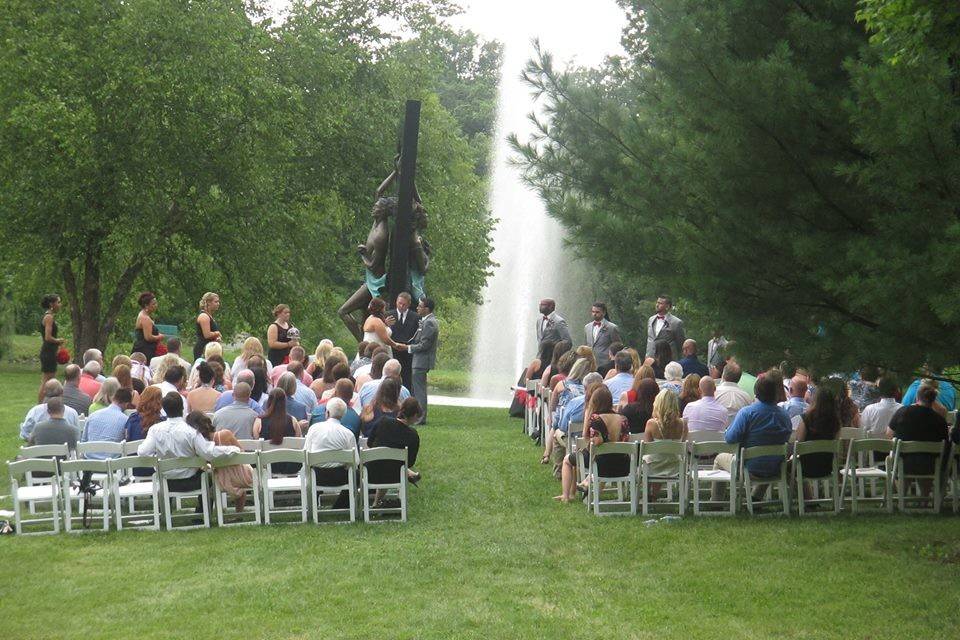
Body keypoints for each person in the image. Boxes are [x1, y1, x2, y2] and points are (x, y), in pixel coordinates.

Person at [138, 393, 239, 499]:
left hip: (166, 481)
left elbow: (143, 452)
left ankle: (164, 512)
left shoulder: (155, 430)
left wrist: (156, 459)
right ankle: (201, 511)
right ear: (182, 408)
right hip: (191, 481)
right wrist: (232, 449)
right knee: (210, 476)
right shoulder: (191, 431)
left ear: (164, 409)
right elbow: (208, 453)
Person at [712, 373, 792, 499]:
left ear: (756, 392)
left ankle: (716, 500)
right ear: (776, 393)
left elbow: (730, 438)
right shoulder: (784, 415)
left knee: (719, 458)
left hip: (749, 467)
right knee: (767, 456)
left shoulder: (747, 413)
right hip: (776, 466)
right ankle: (755, 498)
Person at [557, 385, 629, 503]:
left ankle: (566, 496)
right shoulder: (623, 419)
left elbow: (591, 441)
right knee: (597, 456)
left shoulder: (596, 418)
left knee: (567, 460)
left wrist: (588, 414)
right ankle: (587, 489)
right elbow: (626, 440)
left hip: (601, 465)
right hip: (623, 465)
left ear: (594, 402)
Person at [304, 398, 358, 509]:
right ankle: (339, 506)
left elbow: (306, 454)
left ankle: (312, 505)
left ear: (327, 413)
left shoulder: (314, 429)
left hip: (317, 476)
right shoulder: (348, 434)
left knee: (310, 469)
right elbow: (355, 461)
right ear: (343, 415)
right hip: (341, 477)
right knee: (356, 475)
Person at [887, 384, 949, 476]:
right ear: (933, 400)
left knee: (900, 462)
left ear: (917, 397)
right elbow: (945, 443)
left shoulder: (903, 412)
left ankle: (902, 489)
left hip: (903, 464)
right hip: (930, 466)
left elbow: (889, 434)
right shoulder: (940, 420)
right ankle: (925, 491)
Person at [397, 297, 438, 425]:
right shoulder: (425, 321)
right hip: (418, 360)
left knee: (419, 391)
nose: (417, 308)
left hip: (422, 361)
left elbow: (424, 345)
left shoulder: (430, 323)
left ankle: (420, 418)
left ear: (426, 309)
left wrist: (407, 348)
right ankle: (417, 416)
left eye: (420, 306)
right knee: (417, 389)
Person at [541, 358, 590, 465]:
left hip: (568, 427)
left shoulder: (562, 384)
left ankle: (549, 456)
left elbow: (552, 405)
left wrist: (552, 415)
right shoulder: (591, 390)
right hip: (587, 429)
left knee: (556, 427)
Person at [642, 389, 689, 497]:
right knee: (662, 458)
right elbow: (683, 446)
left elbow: (649, 449)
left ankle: (649, 495)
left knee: (652, 459)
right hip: (676, 466)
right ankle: (654, 495)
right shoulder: (683, 424)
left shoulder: (651, 424)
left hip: (654, 467)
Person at [367, 396, 423, 486]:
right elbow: (410, 462)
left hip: (371, 472)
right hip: (395, 476)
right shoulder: (413, 435)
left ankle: (377, 501)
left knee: (386, 461)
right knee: (393, 463)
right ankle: (410, 474)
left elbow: (369, 443)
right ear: (415, 415)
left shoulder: (383, 421)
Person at [795, 384, 842, 481]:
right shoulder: (835, 421)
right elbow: (836, 445)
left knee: (786, 469)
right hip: (827, 467)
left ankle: (805, 495)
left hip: (805, 467)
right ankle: (809, 495)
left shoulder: (806, 418)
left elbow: (799, 442)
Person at [254, 388, 303, 474]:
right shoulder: (293, 420)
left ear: (268, 401)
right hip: (290, 466)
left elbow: (257, 441)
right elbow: (298, 443)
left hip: (268, 465)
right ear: (284, 402)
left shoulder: (259, 421)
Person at [208, 423, 254, 512]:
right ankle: (239, 513)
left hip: (221, 480)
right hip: (244, 476)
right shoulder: (225, 434)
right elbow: (241, 452)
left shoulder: (201, 443)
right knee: (237, 469)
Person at [79, 388, 133, 456]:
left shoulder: (93, 416)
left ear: (113, 399)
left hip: (89, 461)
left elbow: (83, 441)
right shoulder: (126, 420)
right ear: (127, 404)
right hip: (114, 463)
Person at [388, 292, 420, 391]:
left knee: (407, 379)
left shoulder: (416, 317)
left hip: (408, 353)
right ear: (396, 302)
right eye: (399, 303)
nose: (401, 306)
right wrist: (386, 324)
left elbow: (417, 336)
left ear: (409, 304)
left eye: (404, 304)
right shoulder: (389, 315)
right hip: (392, 351)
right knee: (391, 378)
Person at [37, 293, 67, 402]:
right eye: (58, 302)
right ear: (51, 304)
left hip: (50, 351)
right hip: (48, 352)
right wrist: (58, 340)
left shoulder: (49, 316)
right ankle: (40, 406)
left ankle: (48, 403)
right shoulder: (48, 317)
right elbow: (48, 337)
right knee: (47, 380)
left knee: (49, 379)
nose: (60, 304)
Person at [583, 302, 621, 374]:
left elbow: (618, 347)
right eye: (593, 312)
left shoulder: (611, 328)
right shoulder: (587, 327)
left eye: (597, 312)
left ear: (603, 313)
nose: (594, 314)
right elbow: (586, 346)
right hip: (590, 365)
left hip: (605, 365)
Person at [645, 295, 685, 360]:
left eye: (660, 303)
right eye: (657, 302)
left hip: (668, 360)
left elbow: (680, 344)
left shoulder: (676, 322)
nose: (657, 305)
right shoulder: (651, 319)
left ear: (667, 306)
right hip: (650, 358)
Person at [132, 291, 165, 361]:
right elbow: (148, 337)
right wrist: (160, 336)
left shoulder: (143, 315)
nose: (156, 305)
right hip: (145, 350)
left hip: (145, 348)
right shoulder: (145, 318)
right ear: (146, 305)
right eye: (153, 304)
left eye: (156, 303)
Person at [194, 292, 222, 361]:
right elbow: (207, 335)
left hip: (210, 348)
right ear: (208, 302)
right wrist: (217, 333)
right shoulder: (204, 316)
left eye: (218, 302)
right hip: (203, 349)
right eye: (216, 302)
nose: (218, 304)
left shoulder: (209, 316)